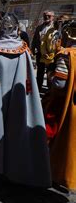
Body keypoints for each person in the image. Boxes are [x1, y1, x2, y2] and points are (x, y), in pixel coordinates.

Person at [0, 12, 51, 188]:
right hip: (19, 100)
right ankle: (15, 166)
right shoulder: (23, 51)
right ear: (16, 28)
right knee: (18, 123)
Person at [43, 21, 76, 190]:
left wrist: (50, 74)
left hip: (65, 105)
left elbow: (59, 84)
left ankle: (56, 172)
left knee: (58, 139)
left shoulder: (65, 55)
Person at [31, 10, 54, 91]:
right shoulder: (39, 28)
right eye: (45, 15)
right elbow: (34, 40)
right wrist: (32, 49)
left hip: (51, 54)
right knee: (40, 72)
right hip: (40, 53)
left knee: (50, 72)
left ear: (52, 17)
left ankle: (49, 90)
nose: (46, 17)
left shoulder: (55, 27)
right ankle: (38, 88)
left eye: (48, 16)